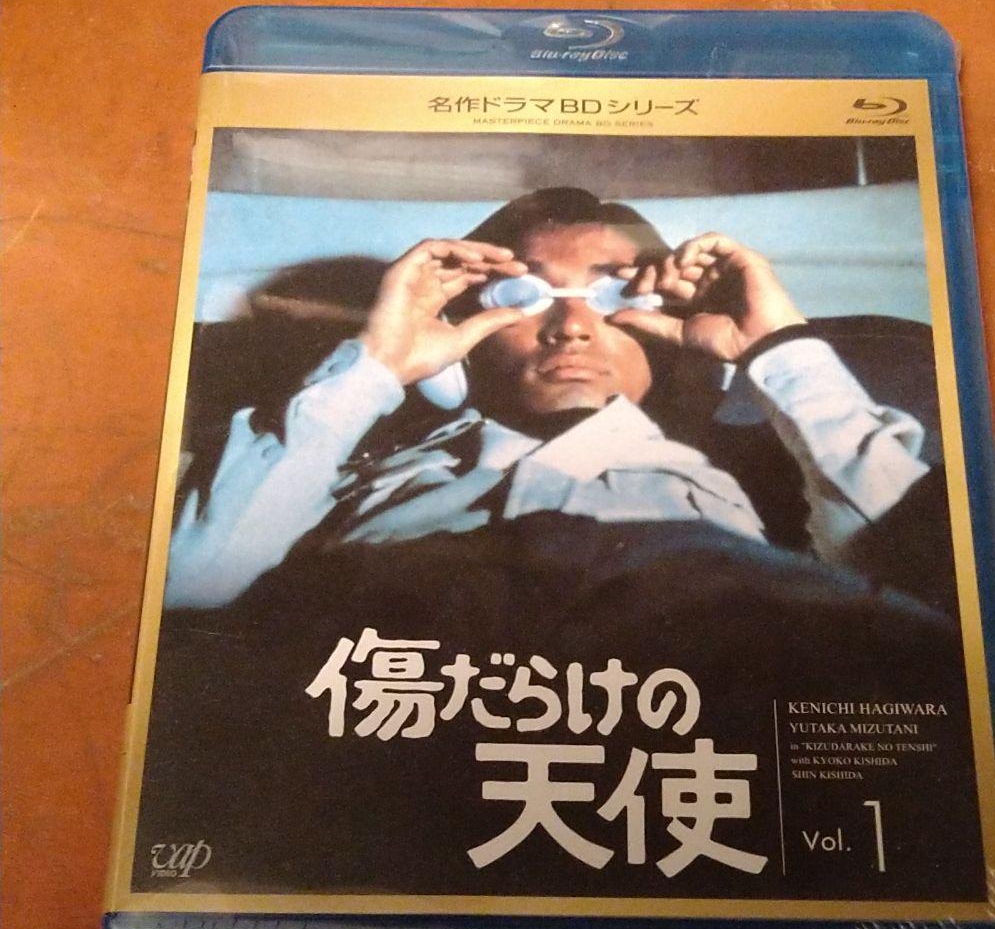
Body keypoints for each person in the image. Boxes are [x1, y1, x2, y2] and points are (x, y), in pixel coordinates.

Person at [163, 187, 942, 627]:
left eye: (612, 295)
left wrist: (778, 349)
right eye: (524, 296)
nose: (571, 324)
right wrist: (374, 365)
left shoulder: (778, 483)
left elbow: (927, 584)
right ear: (466, 334)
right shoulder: (332, 472)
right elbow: (192, 583)